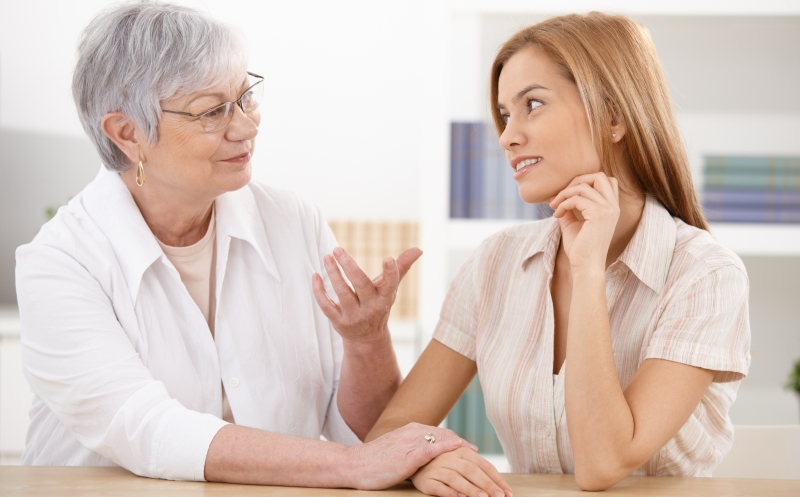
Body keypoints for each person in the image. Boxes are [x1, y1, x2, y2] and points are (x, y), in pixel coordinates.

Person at [15, 1, 473, 488]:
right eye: (211, 112)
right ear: (127, 133)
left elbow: (369, 434)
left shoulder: (294, 221)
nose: (247, 127)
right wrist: (349, 467)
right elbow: (145, 429)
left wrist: (366, 341)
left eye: (245, 97)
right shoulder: (59, 263)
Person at [367, 11, 751, 494]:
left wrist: (589, 271)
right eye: (506, 114)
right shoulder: (495, 264)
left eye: (533, 104)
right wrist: (423, 460)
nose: (507, 136)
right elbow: (389, 432)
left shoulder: (705, 275)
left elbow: (603, 465)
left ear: (613, 116)